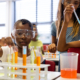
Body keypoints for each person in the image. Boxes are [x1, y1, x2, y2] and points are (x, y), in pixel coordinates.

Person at [48, 0, 80, 71]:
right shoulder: (54, 25)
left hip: (78, 65)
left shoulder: (78, 23)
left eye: (76, 3)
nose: (71, 5)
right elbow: (58, 47)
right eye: (68, 2)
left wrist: (66, 45)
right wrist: (52, 47)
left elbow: (62, 47)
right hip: (64, 65)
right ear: (62, 3)